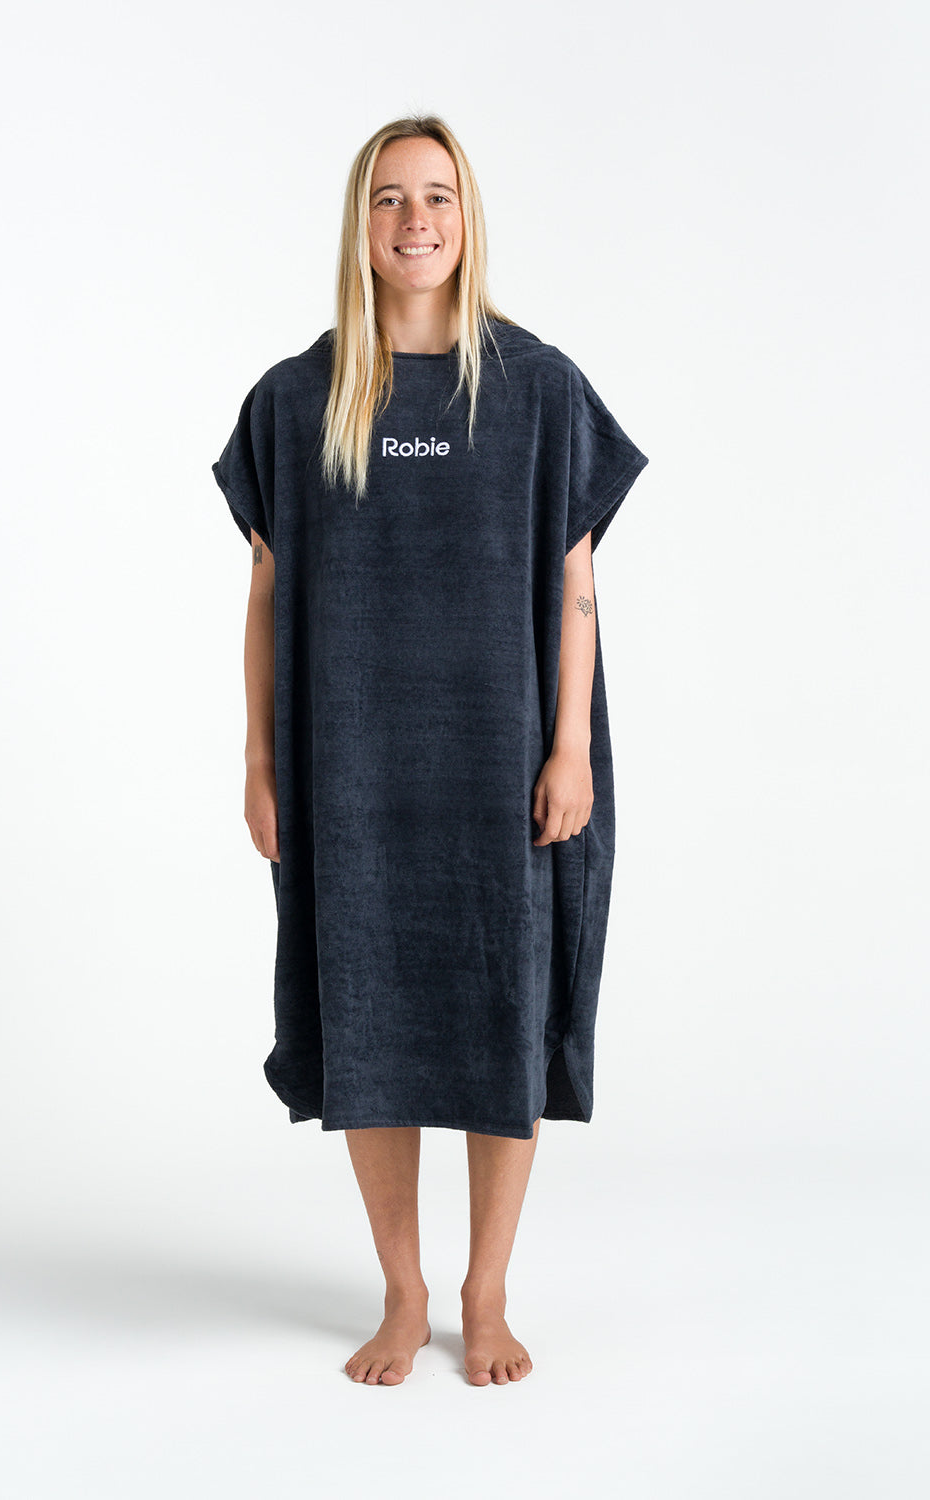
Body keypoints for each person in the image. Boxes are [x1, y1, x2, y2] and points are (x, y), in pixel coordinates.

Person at [211, 115, 649, 1387]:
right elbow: (265, 595)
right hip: (349, 767)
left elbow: (575, 586)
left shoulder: (536, 389)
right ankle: (403, 1292)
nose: (416, 221)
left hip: (501, 763)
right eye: (391, 198)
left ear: (468, 219)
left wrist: (568, 748)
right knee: (370, 1014)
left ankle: (485, 1292)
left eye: (438, 197)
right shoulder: (298, 400)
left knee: (503, 1012)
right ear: (361, 224)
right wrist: (260, 761)